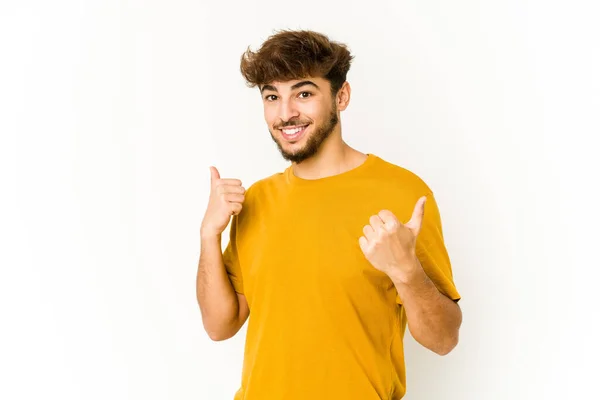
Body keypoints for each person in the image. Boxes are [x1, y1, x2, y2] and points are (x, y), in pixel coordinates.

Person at [197, 29, 463, 400]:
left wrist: (406, 271)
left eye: (303, 94)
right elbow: (219, 326)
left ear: (341, 96)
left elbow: (444, 339)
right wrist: (209, 235)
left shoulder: (403, 195)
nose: (286, 113)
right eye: (272, 96)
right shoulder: (257, 199)